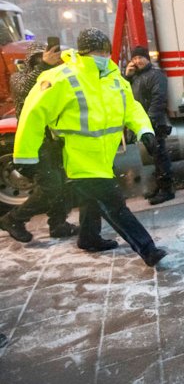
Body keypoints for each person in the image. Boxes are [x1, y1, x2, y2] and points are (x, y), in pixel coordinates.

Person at [13, 28, 167, 267]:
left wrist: (144, 130)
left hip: (104, 159)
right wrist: (25, 155)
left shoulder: (113, 77)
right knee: (114, 205)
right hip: (78, 160)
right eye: (98, 51)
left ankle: (88, 238)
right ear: (83, 51)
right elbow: (33, 114)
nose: (103, 56)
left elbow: (132, 108)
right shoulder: (61, 77)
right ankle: (148, 250)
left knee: (91, 201)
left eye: (105, 51)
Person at [0, 41, 78, 243]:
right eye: (35, 60)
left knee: (64, 183)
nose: (41, 63)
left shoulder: (56, 75)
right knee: (51, 185)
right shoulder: (19, 78)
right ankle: (13, 219)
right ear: (28, 62)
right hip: (35, 141)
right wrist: (43, 66)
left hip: (55, 139)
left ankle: (58, 224)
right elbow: (26, 92)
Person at [124, 46, 175, 205]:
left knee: (161, 157)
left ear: (148, 58)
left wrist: (149, 122)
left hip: (154, 123)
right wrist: (127, 77)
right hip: (147, 124)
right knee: (156, 158)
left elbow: (158, 99)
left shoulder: (155, 75)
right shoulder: (136, 77)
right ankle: (160, 187)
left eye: (141, 57)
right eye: (135, 58)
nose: (138, 61)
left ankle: (167, 190)